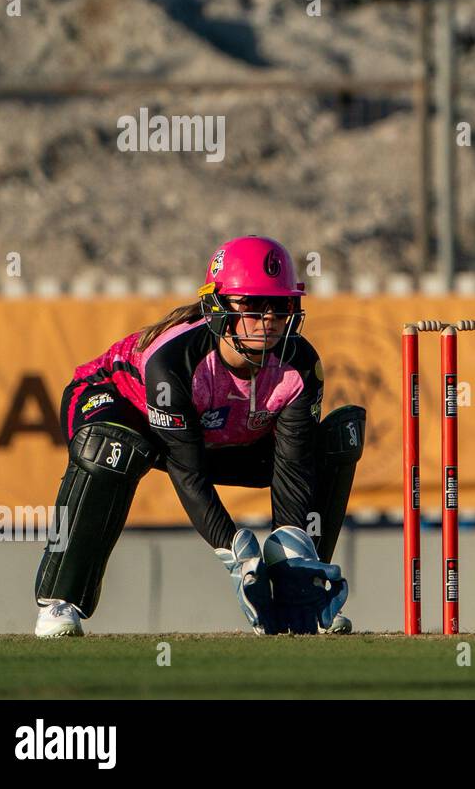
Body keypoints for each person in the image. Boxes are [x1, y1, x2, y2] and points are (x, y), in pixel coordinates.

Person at [33, 235, 365, 637]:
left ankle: (301, 592)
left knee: (334, 440)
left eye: (279, 306)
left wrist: (292, 550)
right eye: (254, 305)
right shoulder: (173, 363)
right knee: (111, 448)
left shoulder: (301, 365)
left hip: (217, 437)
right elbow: (187, 471)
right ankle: (60, 601)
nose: (269, 320)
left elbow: (294, 468)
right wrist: (235, 551)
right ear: (220, 308)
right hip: (125, 410)